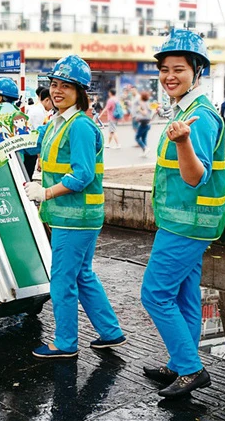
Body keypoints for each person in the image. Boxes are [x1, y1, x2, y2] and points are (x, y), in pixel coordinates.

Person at [140, 29, 225, 399]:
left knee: (155, 294)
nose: (169, 76)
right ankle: (181, 363)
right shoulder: (187, 110)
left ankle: (192, 368)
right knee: (184, 297)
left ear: (197, 71)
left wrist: (183, 142)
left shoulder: (201, 117)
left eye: (178, 68)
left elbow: (195, 177)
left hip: (187, 223)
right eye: (164, 69)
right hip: (187, 221)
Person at [24, 54, 126, 358]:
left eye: (65, 86)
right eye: (54, 84)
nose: (57, 91)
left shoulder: (80, 126)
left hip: (76, 216)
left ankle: (65, 343)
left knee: (63, 279)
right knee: (82, 274)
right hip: (73, 216)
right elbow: (32, 145)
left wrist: (45, 193)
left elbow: (82, 174)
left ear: (80, 91)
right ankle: (110, 331)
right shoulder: (58, 121)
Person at [23, 87, 53, 179]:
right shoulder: (38, 112)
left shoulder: (36, 109)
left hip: (29, 147)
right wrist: (40, 159)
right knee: (27, 175)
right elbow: (36, 137)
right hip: (30, 149)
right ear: (47, 100)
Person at [134, 91, 152, 156]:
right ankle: (145, 151)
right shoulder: (147, 103)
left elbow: (145, 113)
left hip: (143, 123)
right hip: (148, 123)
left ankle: (145, 148)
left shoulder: (142, 103)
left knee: (137, 137)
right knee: (144, 138)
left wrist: (139, 110)